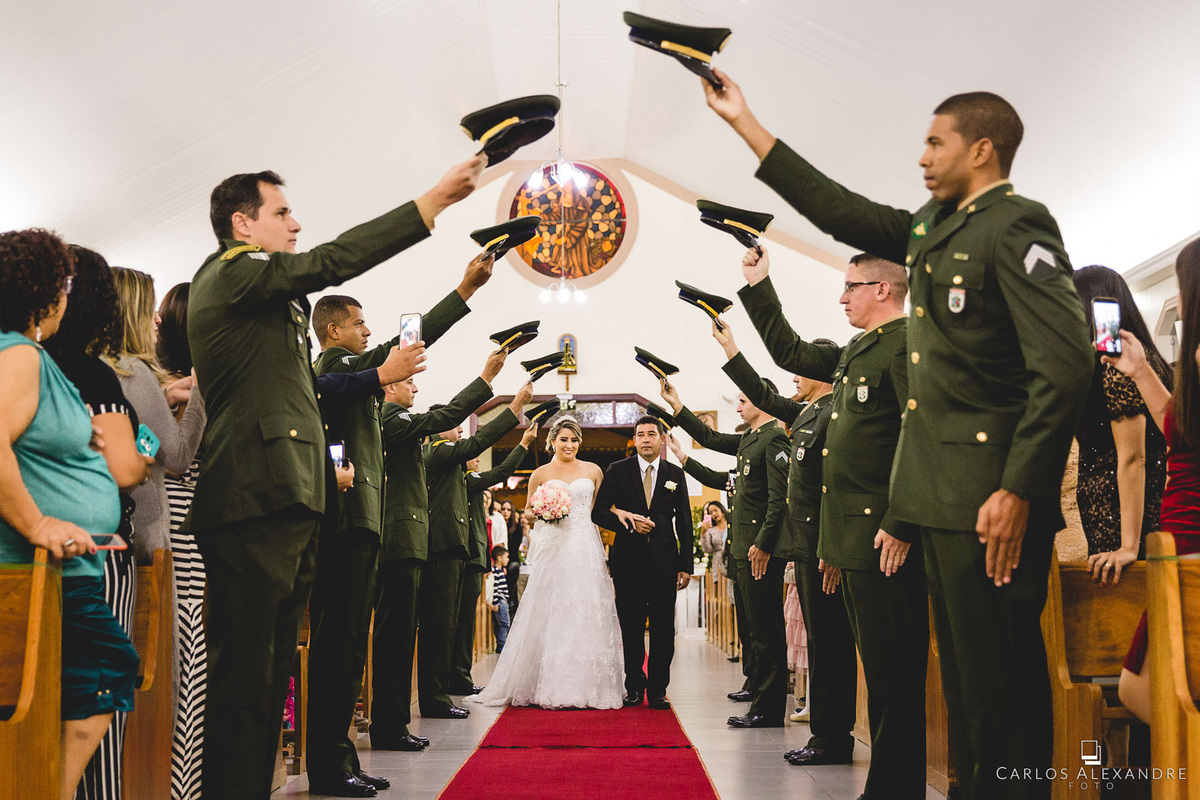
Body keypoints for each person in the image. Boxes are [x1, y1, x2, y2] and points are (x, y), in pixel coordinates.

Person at [703, 72, 1092, 798]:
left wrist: (1019, 485)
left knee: (1002, 695)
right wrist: (746, 124)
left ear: (980, 151)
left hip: (991, 501)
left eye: (934, 143)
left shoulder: (1018, 224)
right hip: (943, 503)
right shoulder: (935, 231)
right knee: (974, 698)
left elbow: (1065, 366)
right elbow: (837, 209)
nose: (922, 157)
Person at [184, 156, 482, 800]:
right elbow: (329, 272)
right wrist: (431, 201)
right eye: (281, 212)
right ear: (243, 225)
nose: (295, 223)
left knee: (267, 683)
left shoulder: (268, 303)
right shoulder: (234, 274)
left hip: (289, 497)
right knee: (246, 682)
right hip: (253, 497)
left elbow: (310, 399)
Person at [306, 265, 490, 798]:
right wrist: (463, 291)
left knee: (346, 651)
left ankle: (339, 757)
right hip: (348, 525)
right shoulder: (338, 365)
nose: (368, 331)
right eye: (359, 323)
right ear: (334, 329)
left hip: (363, 524)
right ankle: (329, 764)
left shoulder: (349, 375)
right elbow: (397, 346)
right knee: (339, 648)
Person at [0, 229, 140, 800]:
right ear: (47, 292)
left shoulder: (33, 356)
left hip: (63, 571)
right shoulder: (20, 354)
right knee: (104, 676)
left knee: (83, 694)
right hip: (35, 568)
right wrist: (40, 523)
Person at [711, 320, 859, 765]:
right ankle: (825, 735)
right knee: (819, 642)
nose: (794, 373)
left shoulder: (838, 410)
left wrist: (831, 547)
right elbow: (765, 393)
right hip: (807, 547)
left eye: (803, 366)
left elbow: (840, 485)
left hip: (825, 548)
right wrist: (731, 347)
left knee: (831, 644)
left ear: (825, 371)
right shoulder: (810, 413)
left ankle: (835, 738)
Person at [41, 245, 149, 800]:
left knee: (49, 700)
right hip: (96, 556)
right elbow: (125, 468)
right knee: (101, 699)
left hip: (36, 553)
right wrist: (147, 453)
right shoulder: (90, 372)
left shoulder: (30, 362)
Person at [467, 416, 624, 709]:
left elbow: (601, 509)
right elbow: (527, 511)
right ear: (552, 441)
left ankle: (589, 681)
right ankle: (550, 680)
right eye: (564, 439)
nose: (569, 445)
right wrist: (547, 510)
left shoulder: (593, 470)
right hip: (555, 545)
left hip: (584, 545)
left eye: (574, 440)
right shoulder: (540, 473)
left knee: (585, 606)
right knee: (553, 606)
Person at [661, 379, 790, 728]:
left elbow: (779, 499)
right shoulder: (751, 439)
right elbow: (712, 439)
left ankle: (768, 707)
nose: (737, 407)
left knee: (767, 632)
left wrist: (763, 544)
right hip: (744, 550)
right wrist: (678, 407)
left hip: (758, 550)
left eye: (743, 400)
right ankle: (760, 700)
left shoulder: (774, 437)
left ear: (763, 401)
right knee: (756, 631)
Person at [1111, 238, 1200, 721]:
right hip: (1180, 538)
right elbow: (1181, 427)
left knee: (1140, 689)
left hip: (1190, 539)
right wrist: (1142, 370)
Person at [420, 386, 531, 719]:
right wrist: (513, 409)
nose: (458, 428)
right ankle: (436, 695)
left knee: (450, 624)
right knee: (441, 627)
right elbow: (476, 445)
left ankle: (447, 686)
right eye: (452, 422)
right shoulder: (438, 453)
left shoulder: (454, 466)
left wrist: (523, 446)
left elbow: (494, 473)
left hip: (453, 549)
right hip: (442, 548)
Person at [1072, 266, 1171, 582]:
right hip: (1125, 512)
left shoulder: (1120, 368)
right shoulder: (1140, 361)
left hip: (1118, 517)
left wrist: (1128, 545)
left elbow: (1133, 458)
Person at [591, 415, 693, 709]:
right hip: (627, 561)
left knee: (663, 629)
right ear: (634, 440)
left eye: (651, 434)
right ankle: (634, 686)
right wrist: (628, 522)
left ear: (661, 439)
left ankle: (658, 690)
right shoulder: (618, 470)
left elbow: (684, 521)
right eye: (640, 434)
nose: (646, 439)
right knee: (631, 627)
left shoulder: (675, 474)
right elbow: (598, 512)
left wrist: (685, 564)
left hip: (664, 561)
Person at [110, 267, 207, 567]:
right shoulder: (134, 370)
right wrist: (201, 393)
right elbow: (178, 456)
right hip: (147, 522)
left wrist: (164, 398)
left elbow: (135, 429)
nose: (157, 318)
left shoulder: (109, 366)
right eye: (149, 308)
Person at [155, 281, 209, 800]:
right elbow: (178, 456)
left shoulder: (163, 382)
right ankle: (180, 787)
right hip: (176, 524)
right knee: (183, 655)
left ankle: (185, 781)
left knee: (188, 657)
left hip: (185, 525)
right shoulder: (167, 386)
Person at [454, 428, 537, 694]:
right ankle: (455, 678)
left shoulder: (470, 478)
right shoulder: (460, 478)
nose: (477, 458)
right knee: (458, 622)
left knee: (466, 622)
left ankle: (461, 677)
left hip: (477, 561)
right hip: (461, 558)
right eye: (473, 454)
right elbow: (500, 472)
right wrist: (523, 444)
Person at [489, 545, 512, 653]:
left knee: (502, 624)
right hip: (500, 602)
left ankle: (501, 643)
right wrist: (496, 603)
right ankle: (501, 645)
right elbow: (495, 589)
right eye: (506, 557)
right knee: (504, 624)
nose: (508, 559)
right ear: (499, 558)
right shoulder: (496, 572)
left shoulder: (500, 571)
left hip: (503, 602)